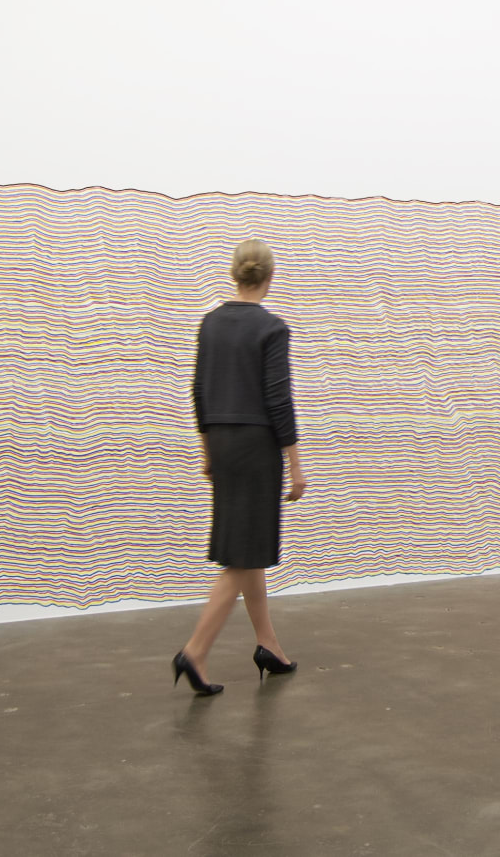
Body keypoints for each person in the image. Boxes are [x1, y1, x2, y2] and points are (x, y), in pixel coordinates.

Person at [172, 239, 308, 696]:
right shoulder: (272, 328)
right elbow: (278, 399)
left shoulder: (210, 323)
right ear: (269, 278)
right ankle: (195, 651)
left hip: (225, 444)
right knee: (240, 556)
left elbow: (199, 390)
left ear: (235, 274)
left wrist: (207, 448)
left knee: (247, 549)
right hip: (255, 447)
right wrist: (295, 464)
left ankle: (269, 646)